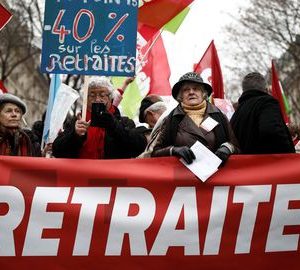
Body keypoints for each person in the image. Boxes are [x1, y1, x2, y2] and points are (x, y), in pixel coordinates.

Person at [151, 72, 239, 165]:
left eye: (196, 89)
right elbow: (155, 152)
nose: (191, 92)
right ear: (180, 96)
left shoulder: (219, 116)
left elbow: (236, 146)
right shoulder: (171, 119)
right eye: (186, 90)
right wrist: (173, 150)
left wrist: (227, 148)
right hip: (184, 177)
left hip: (217, 175)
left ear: (203, 93)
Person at [52, 76, 147, 159]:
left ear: (111, 98)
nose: (97, 99)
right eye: (92, 95)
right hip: (81, 177)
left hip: (112, 177)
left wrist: (113, 126)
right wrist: (75, 135)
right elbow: (57, 151)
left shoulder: (124, 122)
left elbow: (138, 147)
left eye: (102, 95)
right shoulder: (77, 122)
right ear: (85, 98)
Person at [230, 72, 295, 154]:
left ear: (243, 91)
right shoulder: (267, 102)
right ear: (266, 89)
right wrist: (288, 153)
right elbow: (272, 132)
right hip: (271, 164)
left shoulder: (236, 113)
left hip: (245, 165)